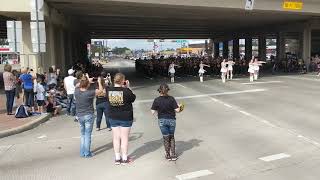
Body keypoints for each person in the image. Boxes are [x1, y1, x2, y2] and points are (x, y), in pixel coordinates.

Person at [107, 73, 136, 165]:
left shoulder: (108, 90)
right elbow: (133, 98)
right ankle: (124, 158)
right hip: (125, 117)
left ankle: (117, 158)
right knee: (124, 138)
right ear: (123, 80)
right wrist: (128, 87)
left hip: (113, 116)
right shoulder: (126, 91)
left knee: (116, 138)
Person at [151, 84, 182, 161]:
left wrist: (158, 109)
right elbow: (177, 110)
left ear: (159, 91)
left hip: (162, 120)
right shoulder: (171, 99)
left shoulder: (156, 100)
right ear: (168, 90)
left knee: (166, 138)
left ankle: (168, 155)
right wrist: (180, 106)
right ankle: (173, 155)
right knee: (172, 137)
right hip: (171, 120)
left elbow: (152, 112)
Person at [74, 75, 104, 158]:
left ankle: (82, 152)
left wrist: (85, 80)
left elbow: (76, 86)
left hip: (79, 115)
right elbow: (101, 91)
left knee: (82, 134)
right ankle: (87, 153)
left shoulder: (76, 91)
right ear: (87, 85)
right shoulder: (90, 92)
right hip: (88, 115)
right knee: (87, 135)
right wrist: (99, 82)